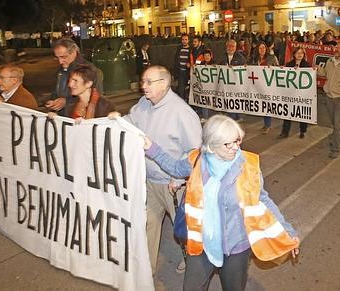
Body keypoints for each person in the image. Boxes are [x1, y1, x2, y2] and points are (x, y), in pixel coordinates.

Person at [142, 114, 300, 290]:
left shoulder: (247, 165)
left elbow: (263, 199)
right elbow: (174, 168)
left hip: (235, 248)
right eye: (229, 144)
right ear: (212, 146)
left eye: (238, 140)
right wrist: (151, 148)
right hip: (201, 244)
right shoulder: (196, 160)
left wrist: (287, 231)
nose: (236, 147)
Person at [121, 66, 202, 275]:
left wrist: (179, 178)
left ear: (164, 84)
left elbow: (194, 152)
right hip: (149, 181)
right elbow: (130, 123)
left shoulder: (182, 113)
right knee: (148, 224)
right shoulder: (144, 104)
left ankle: (193, 262)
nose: (143, 86)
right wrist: (115, 120)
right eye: (143, 81)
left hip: (173, 185)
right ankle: (145, 272)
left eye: (149, 82)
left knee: (184, 228)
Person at [46, 38, 105, 115]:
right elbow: (57, 91)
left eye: (63, 57)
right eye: (57, 57)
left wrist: (66, 102)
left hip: (81, 119)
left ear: (73, 53)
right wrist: (53, 101)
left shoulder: (90, 70)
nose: (60, 62)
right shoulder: (61, 70)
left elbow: (96, 97)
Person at [281, 47, 312, 138]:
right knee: (287, 112)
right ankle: (285, 131)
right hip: (290, 92)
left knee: (301, 112)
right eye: (298, 53)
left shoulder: (307, 65)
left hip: (302, 93)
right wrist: (283, 70)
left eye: (301, 53)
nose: (299, 55)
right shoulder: (289, 64)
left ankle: (303, 131)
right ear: (294, 54)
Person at [250, 42, 279, 133]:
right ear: (257, 50)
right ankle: (266, 124)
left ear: (266, 49)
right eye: (260, 48)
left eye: (263, 48)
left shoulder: (272, 58)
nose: (262, 50)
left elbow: (278, 68)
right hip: (258, 85)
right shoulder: (255, 59)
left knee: (267, 104)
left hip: (268, 85)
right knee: (262, 104)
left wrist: (272, 68)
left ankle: (268, 125)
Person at [217, 39, 247, 121]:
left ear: (235, 47)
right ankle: (233, 118)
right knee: (230, 102)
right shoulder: (222, 56)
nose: (230, 48)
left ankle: (236, 117)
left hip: (236, 85)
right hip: (226, 85)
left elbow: (245, 68)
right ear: (226, 47)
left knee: (235, 101)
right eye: (229, 46)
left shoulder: (240, 57)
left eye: (232, 46)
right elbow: (217, 66)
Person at [174, 34, 192, 101]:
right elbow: (176, 60)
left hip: (188, 72)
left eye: (186, 39)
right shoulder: (179, 49)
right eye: (183, 39)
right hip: (181, 72)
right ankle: (182, 102)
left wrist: (190, 64)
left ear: (188, 40)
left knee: (188, 88)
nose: (184, 41)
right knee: (181, 89)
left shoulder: (191, 49)